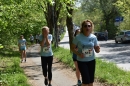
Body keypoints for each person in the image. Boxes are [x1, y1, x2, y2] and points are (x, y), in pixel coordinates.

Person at [71, 19, 100, 86]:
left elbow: (97, 50)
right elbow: (72, 48)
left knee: (91, 81)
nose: (87, 27)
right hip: (82, 61)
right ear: (82, 27)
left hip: (91, 61)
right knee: (86, 80)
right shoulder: (78, 37)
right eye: (85, 26)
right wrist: (78, 54)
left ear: (91, 27)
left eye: (89, 26)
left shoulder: (94, 37)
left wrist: (98, 49)